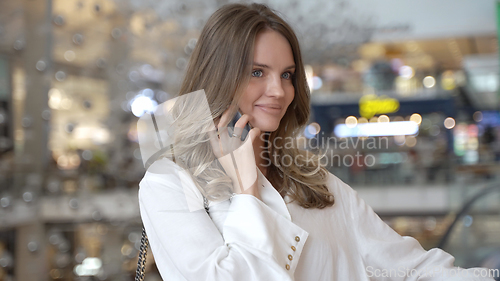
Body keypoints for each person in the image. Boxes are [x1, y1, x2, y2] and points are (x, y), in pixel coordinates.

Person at [138, 3, 495, 281]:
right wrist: (246, 190)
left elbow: (409, 268)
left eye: (288, 75)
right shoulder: (169, 183)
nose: (280, 91)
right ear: (218, 75)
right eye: (257, 72)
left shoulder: (312, 181)